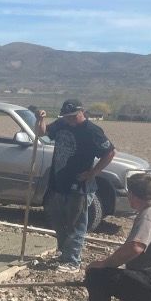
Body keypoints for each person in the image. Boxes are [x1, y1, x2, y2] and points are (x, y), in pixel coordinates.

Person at [36, 99, 115, 272]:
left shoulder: (92, 131)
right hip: (58, 182)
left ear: (82, 112)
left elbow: (110, 152)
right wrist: (40, 119)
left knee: (76, 223)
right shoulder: (61, 124)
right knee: (58, 220)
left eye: (72, 116)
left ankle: (73, 261)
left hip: (79, 186)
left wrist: (93, 172)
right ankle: (64, 252)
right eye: (66, 116)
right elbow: (42, 132)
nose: (69, 119)